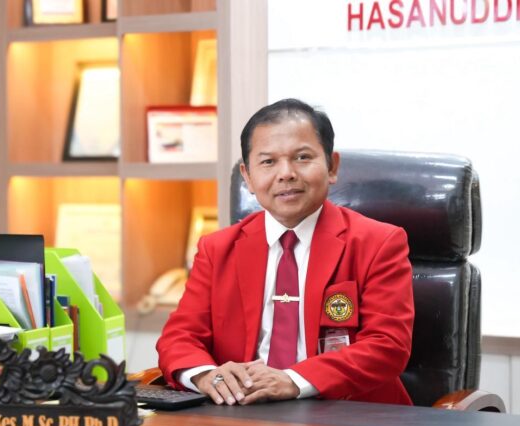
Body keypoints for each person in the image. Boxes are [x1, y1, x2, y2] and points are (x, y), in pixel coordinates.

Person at [156, 98, 414, 406]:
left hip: (350, 414)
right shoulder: (217, 249)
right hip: (244, 413)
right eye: (268, 162)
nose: (286, 173)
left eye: (302, 157)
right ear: (247, 177)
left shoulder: (379, 243)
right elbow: (180, 336)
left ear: (332, 166)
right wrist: (205, 375)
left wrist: (293, 380)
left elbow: (387, 345)